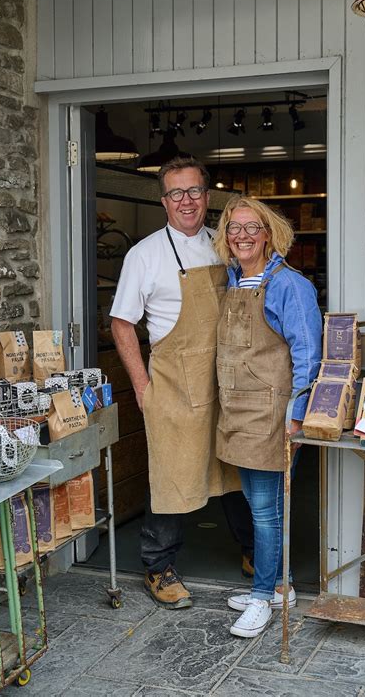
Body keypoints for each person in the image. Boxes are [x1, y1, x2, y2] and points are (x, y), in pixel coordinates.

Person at [110, 156, 252, 609]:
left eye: (194, 192)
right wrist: (141, 385)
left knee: (236, 467)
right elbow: (121, 323)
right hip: (173, 383)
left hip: (225, 379)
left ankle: (254, 551)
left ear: (208, 198)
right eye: (176, 193)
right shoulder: (144, 255)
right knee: (171, 474)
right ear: (164, 201)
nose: (186, 201)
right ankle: (158, 566)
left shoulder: (224, 244)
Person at [213, 195, 322, 638]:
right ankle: (282, 586)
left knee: (265, 512)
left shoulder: (289, 286)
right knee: (262, 507)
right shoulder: (233, 280)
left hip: (273, 413)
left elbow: (308, 354)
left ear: (269, 233)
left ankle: (262, 598)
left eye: (251, 227)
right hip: (237, 408)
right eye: (234, 228)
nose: (242, 235)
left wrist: (296, 416)